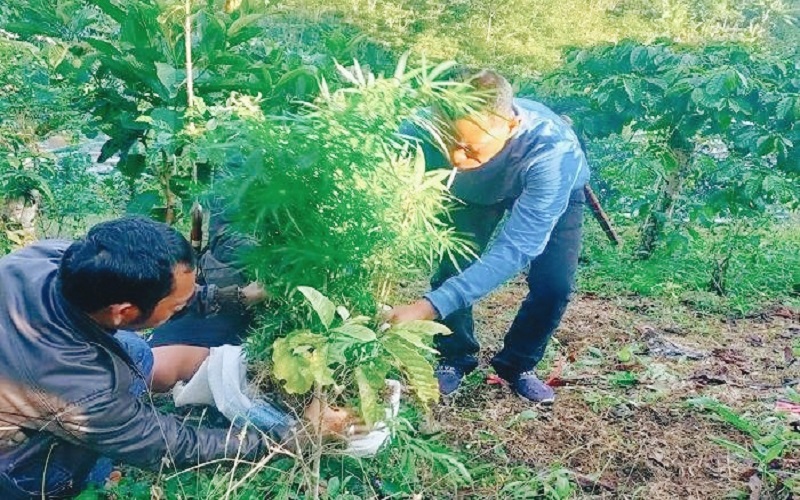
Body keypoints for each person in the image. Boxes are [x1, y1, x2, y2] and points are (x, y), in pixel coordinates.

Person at [0, 217, 313, 498]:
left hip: (28, 380)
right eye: (176, 306)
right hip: (17, 466)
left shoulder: (49, 259)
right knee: (60, 470)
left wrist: (239, 296)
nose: (183, 305)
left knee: (134, 351)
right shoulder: (80, 393)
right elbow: (175, 446)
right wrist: (294, 435)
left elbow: (168, 292)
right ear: (124, 311)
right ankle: (84, 482)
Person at [387, 69, 590, 403]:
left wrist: (429, 307)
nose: (455, 158)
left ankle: (518, 365)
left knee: (554, 286)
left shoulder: (553, 153)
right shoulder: (419, 127)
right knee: (453, 265)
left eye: (469, 147)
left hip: (552, 190)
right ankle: (454, 357)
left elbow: (518, 247)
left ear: (509, 126)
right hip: (472, 194)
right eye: (447, 142)